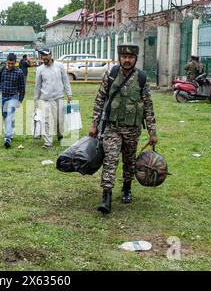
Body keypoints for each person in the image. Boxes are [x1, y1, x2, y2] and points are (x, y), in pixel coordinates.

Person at [89, 43, 158, 215]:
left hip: (132, 129)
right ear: (119, 57)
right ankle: (106, 196)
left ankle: (127, 188)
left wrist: (152, 132)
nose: (127, 60)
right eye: (124, 57)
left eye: (131, 57)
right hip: (112, 127)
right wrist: (94, 124)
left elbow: (148, 106)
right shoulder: (111, 75)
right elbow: (99, 100)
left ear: (135, 58)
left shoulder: (142, 78)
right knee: (110, 159)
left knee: (129, 161)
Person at [34, 48, 72, 149]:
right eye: (42, 56)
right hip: (46, 99)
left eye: (46, 55)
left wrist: (69, 95)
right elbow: (37, 86)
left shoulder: (59, 66)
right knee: (46, 120)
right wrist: (36, 100)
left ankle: (60, 134)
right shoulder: (39, 69)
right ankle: (48, 142)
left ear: (51, 55)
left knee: (59, 120)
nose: (44, 57)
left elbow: (65, 81)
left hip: (58, 98)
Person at [0, 53, 25, 149]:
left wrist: (20, 100)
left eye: (12, 63)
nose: (10, 65)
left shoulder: (19, 72)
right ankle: (10, 131)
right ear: (6, 62)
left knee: (9, 115)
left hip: (13, 97)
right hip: (2, 96)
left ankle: (7, 138)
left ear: (15, 63)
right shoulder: (1, 70)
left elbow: (22, 88)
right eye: (9, 63)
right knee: (5, 116)